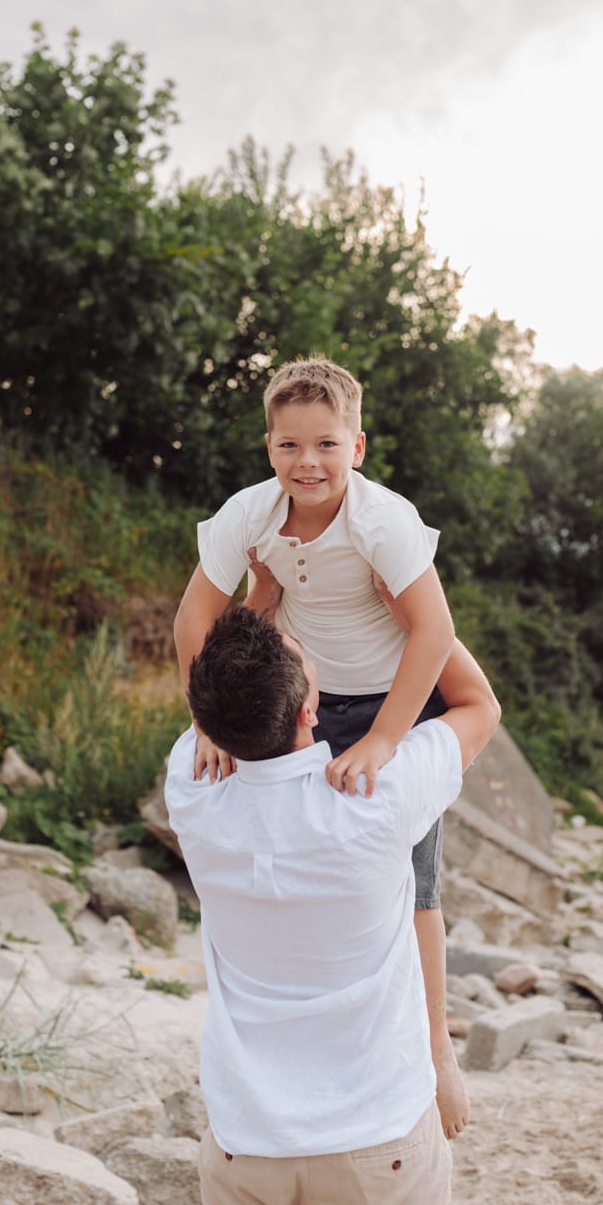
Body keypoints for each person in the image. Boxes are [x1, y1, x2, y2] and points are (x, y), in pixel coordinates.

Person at [173, 356, 467, 1137]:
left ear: (357, 447)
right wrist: (207, 723)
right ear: (268, 447)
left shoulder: (382, 522)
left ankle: (435, 1049)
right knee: (287, 844)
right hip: (296, 691)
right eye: (289, 446)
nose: (308, 462)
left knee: (412, 881)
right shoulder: (249, 513)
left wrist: (383, 739)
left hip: (387, 699)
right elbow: (191, 623)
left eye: (327, 445)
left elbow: (434, 632)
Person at [165, 606, 500, 1205]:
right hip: (379, 1144)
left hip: (246, 1148)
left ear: (207, 718)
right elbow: (478, 705)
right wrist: (406, 606)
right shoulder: (377, 795)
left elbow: (210, 675)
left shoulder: (192, 793)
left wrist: (264, 584)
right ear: (308, 710)